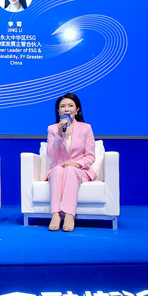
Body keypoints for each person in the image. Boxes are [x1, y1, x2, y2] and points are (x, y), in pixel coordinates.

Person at [46, 93, 97, 232]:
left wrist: (78, 164)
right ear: (58, 110)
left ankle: (69, 215)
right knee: (57, 170)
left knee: (70, 169)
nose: (66, 109)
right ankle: (55, 214)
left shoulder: (86, 128)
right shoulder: (52, 129)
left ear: (77, 109)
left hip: (79, 169)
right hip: (59, 167)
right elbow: (51, 154)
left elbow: (90, 156)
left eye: (70, 105)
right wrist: (59, 134)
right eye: (62, 106)